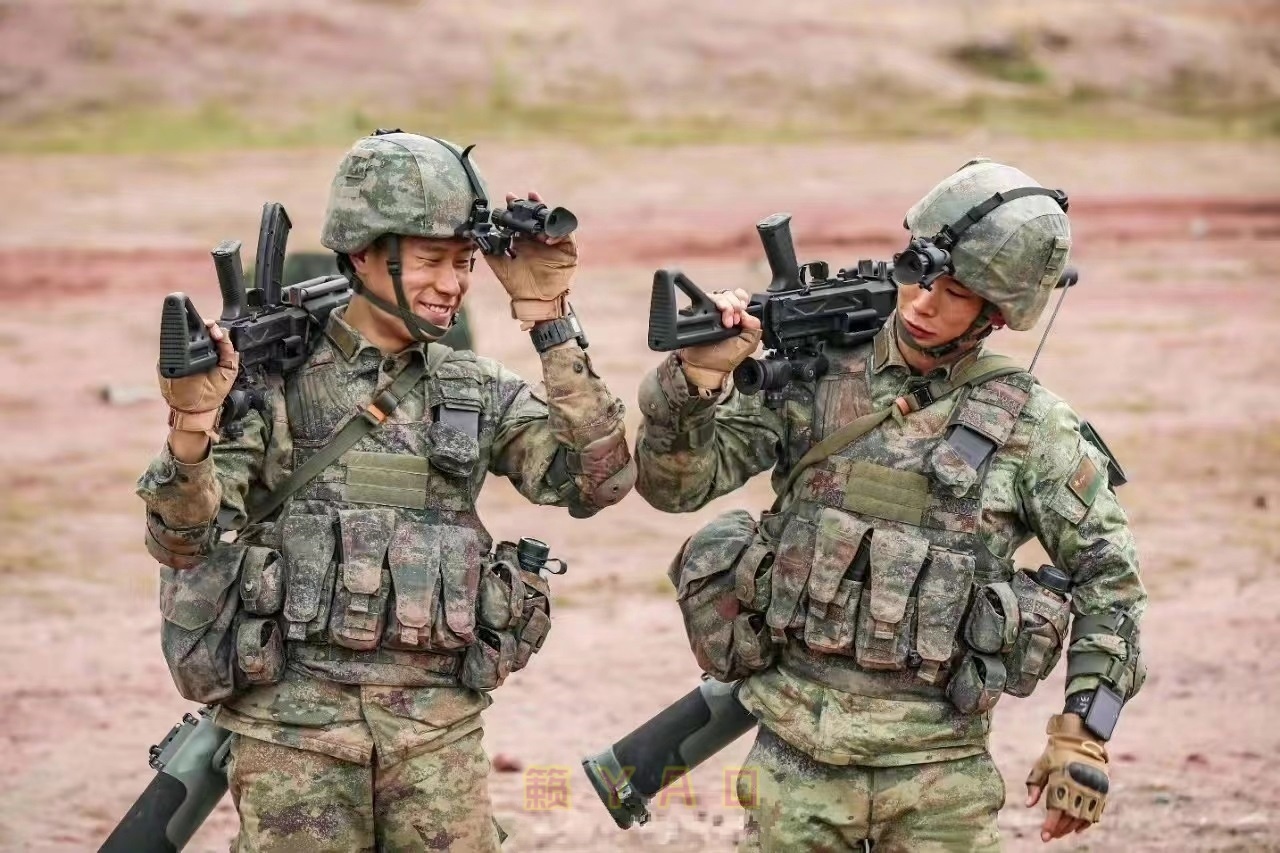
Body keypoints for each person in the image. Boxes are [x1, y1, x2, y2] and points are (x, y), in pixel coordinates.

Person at [136, 131, 635, 852]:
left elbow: (600, 478)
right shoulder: (271, 383)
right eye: (431, 259)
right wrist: (190, 429)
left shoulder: (473, 388)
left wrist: (551, 321)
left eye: (464, 262)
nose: (452, 284)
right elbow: (181, 540)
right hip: (292, 739)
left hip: (436, 737)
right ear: (363, 254)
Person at [634, 158, 1147, 851]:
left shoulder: (1033, 428)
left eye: (955, 293)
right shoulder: (815, 374)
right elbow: (675, 486)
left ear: (999, 312)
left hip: (940, 777)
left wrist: (1082, 736)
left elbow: (1110, 580)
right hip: (795, 763)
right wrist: (696, 384)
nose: (922, 303)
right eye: (918, 273)